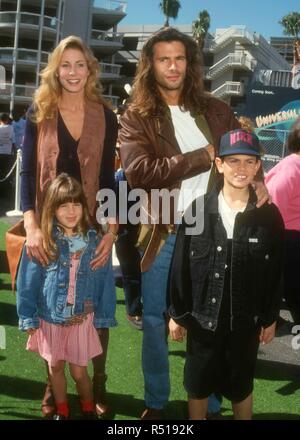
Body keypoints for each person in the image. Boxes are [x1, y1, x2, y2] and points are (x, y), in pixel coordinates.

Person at [118, 27, 269, 419]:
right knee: (154, 321)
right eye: (164, 58)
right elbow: (139, 172)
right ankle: (155, 401)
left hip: (209, 231)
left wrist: (260, 180)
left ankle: (210, 402)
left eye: (180, 58)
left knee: (208, 323)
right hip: (163, 233)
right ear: (150, 65)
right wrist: (202, 157)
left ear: (191, 63)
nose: (173, 66)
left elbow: (248, 148)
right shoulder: (136, 117)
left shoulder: (216, 109)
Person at [20, 35, 118, 419]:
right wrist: (31, 225)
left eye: (80, 65)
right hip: (48, 224)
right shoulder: (38, 111)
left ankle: (98, 381)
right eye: (66, 64)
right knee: (50, 305)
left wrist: (111, 229)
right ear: (55, 69)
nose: (73, 72)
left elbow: (109, 176)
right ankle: (52, 382)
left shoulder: (105, 114)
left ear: (90, 69)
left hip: (91, 223)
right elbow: (28, 173)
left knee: (95, 306)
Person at [168, 129, 284, 420]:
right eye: (233, 161)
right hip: (202, 322)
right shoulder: (197, 211)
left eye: (248, 161)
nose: (241, 169)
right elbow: (180, 266)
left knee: (241, 388)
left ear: (258, 166)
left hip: (245, 326)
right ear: (218, 164)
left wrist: (270, 318)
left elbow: (275, 272)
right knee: (197, 387)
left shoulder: (269, 216)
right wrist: (177, 314)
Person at [17, 174, 115, 420]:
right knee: (55, 367)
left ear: (84, 206)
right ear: (52, 207)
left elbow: (105, 282)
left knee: (80, 372)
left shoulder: (95, 242)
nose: (71, 211)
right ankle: (61, 409)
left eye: (76, 204)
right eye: (63, 205)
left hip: (80, 320)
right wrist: (27, 317)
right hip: (50, 319)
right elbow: (27, 281)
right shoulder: (42, 242)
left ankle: (88, 406)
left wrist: (103, 316)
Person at [265, 118, 300, 324]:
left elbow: (273, 200)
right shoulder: (292, 166)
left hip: (288, 238)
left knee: (289, 287)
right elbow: (275, 200)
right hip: (288, 236)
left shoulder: (292, 165)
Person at [115, 167, 143, 329]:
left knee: (137, 271)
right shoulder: (119, 178)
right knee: (131, 271)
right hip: (125, 231)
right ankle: (133, 311)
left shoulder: (147, 173)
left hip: (144, 229)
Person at [0, 112, 16, 195]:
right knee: (6, 172)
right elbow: (13, 142)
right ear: (6, 120)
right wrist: (15, 154)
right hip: (7, 153)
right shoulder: (11, 128)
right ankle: (5, 191)